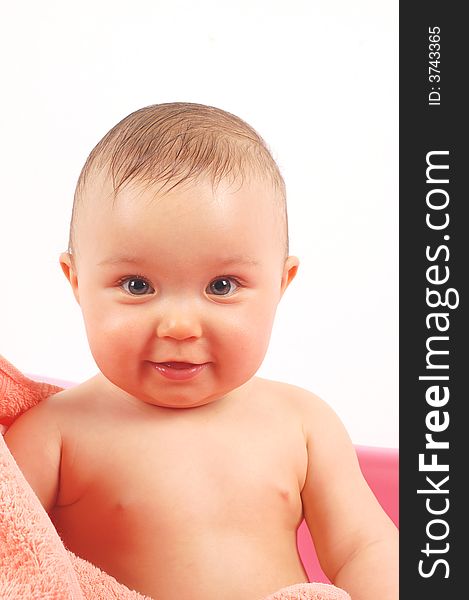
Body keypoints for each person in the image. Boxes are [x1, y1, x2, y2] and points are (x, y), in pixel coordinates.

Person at [4, 102, 398, 600]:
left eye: (222, 285)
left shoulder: (303, 423)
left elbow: (364, 547)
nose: (180, 325)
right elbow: (13, 555)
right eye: (137, 284)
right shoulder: (54, 434)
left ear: (281, 282)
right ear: (77, 281)